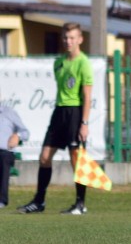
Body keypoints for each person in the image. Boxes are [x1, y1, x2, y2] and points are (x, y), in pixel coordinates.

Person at [18, 22, 94, 215]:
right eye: (65, 38)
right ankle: (39, 201)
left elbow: (87, 96)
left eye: (72, 38)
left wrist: (84, 123)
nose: (68, 41)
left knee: (75, 159)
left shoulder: (83, 63)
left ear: (80, 39)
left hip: (74, 113)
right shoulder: (58, 62)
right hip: (59, 112)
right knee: (44, 157)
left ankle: (80, 204)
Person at [0, 94, 30, 209]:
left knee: (3, 158)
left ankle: (1, 200)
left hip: (3, 152)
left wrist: (17, 136)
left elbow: (25, 132)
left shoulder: (9, 113)